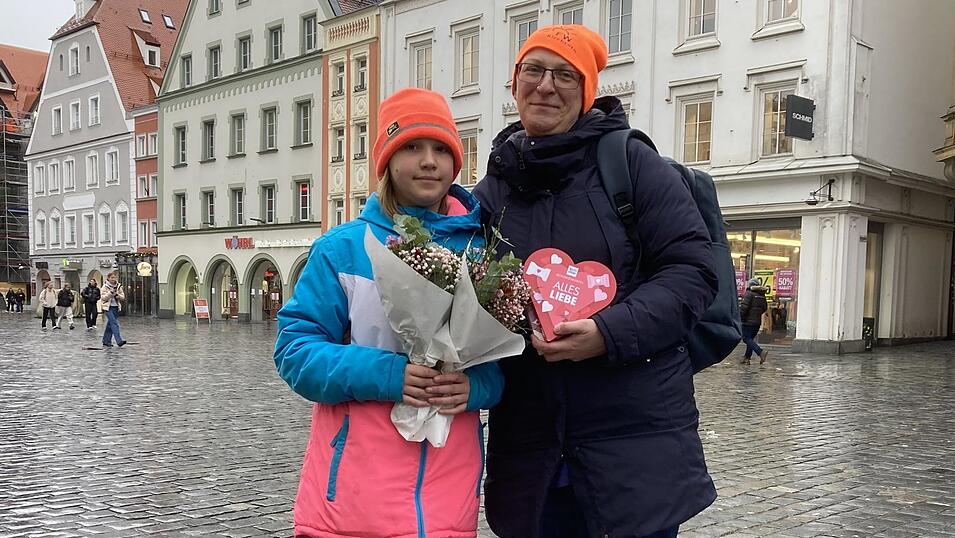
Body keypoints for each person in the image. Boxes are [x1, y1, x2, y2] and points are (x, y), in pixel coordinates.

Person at [472, 25, 719, 538]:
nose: (546, 86)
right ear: (515, 82)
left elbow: (693, 271)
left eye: (565, 75)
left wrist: (608, 334)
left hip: (633, 449)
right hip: (533, 451)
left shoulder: (630, 163)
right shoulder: (495, 188)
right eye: (534, 71)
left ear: (587, 92)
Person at [273, 88, 503, 538]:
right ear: (386, 160)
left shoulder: (482, 254)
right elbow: (295, 351)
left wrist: (476, 387)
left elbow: (502, 366)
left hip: (446, 499)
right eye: (412, 147)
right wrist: (389, 375)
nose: (429, 161)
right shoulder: (343, 250)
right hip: (353, 500)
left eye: (441, 149)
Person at [739, 278, 770, 365]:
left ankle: (760, 352)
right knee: (750, 339)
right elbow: (764, 308)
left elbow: (744, 308)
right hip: (757, 322)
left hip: (747, 321)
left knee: (746, 338)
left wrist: (740, 318)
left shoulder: (749, 294)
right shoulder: (762, 295)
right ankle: (747, 358)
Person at [100, 272, 126, 348]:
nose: (113, 279)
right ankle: (119, 340)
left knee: (110, 325)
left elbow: (123, 297)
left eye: (114, 277)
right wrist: (110, 293)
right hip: (108, 307)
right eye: (111, 277)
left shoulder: (118, 286)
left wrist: (118, 296)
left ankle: (106, 341)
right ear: (108, 278)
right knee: (114, 323)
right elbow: (103, 298)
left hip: (116, 307)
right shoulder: (105, 287)